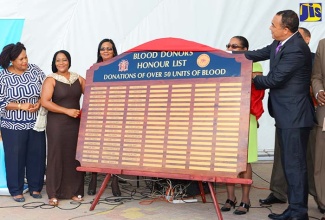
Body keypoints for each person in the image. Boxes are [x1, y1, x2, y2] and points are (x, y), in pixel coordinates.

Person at [243, 10, 315, 220]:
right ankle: (294, 209)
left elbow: (274, 80)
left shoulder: (296, 49)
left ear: (286, 29)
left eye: (273, 25)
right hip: (286, 114)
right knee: (291, 165)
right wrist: (229, 57)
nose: (270, 27)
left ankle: (298, 212)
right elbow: (256, 53)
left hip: (295, 115)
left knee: (295, 165)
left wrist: (250, 79)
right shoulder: (280, 43)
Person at [259, 27, 318, 206]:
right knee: (282, 156)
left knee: (310, 158)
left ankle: (319, 198)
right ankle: (278, 192)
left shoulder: (316, 58)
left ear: (307, 40)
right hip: (285, 114)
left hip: (308, 113)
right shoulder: (281, 51)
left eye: (298, 35)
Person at [220, 36, 265, 215]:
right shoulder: (223, 65)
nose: (231, 48)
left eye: (235, 46)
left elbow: (256, 91)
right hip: (227, 117)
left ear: (246, 49)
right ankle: (231, 197)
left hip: (246, 116)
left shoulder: (255, 65)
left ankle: (245, 199)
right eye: (229, 46)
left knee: (244, 160)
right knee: (227, 159)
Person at [0, 42, 46, 202]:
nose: (25, 61)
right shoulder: (3, 77)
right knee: (15, 158)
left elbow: (46, 90)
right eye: (21, 59)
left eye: (26, 57)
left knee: (37, 156)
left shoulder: (35, 70)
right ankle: (16, 190)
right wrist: (21, 106)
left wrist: (39, 103)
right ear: (12, 60)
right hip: (12, 125)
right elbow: (1, 102)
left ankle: (35, 188)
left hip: (35, 123)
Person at [41, 50, 86, 206]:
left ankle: (74, 191)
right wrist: (67, 110)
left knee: (74, 157)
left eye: (64, 60)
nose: (61, 63)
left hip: (75, 124)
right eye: (58, 60)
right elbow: (45, 102)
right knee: (56, 156)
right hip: (57, 124)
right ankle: (53, 193)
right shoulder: (51, 80)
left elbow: (93, 93)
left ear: (69, 61)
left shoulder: (78, 78)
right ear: (54, 63)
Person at [87, 38, 121, 197]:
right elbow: (90, 91)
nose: (105, 51)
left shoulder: (122, 67)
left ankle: (114, 182)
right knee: (96, 148)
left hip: (116, 113)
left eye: (108, 48)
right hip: (98, 113)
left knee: (113, 149)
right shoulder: (95, 69)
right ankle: (93, 180)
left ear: (114, 50)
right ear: (99, 52)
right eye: (102, 49)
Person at [311, 38, 325, 220]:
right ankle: (323, 202)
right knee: (321, 161)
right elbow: (316, 76)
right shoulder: (323, 44)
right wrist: (318, 91)